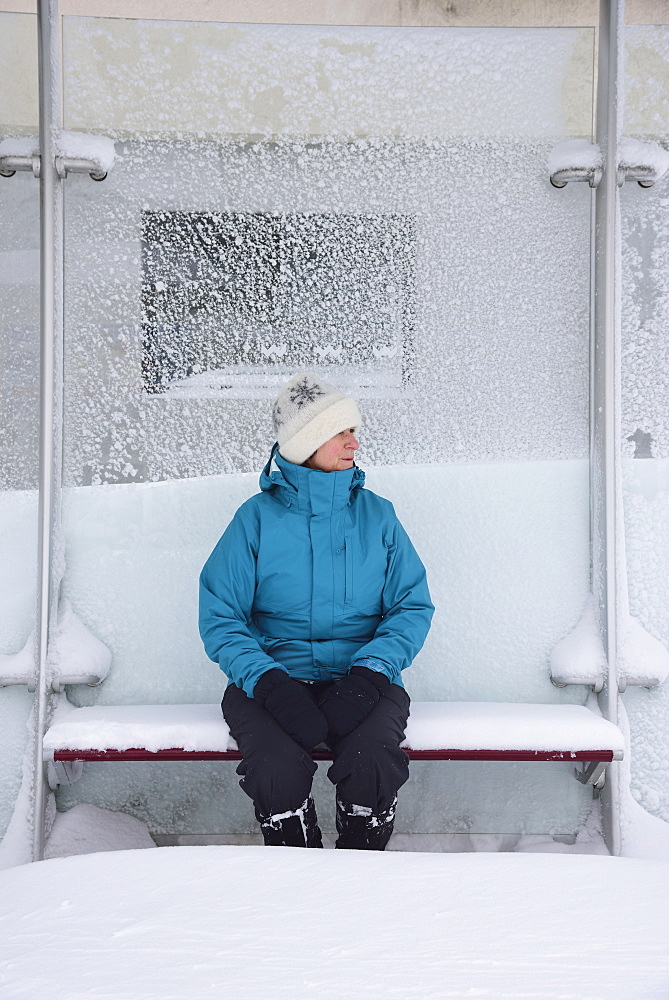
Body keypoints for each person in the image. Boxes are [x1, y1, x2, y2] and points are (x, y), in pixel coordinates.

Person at [199, 372, 434, 849]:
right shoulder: (256, 520)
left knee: (372, 762)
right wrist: (268, 683)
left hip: (363, 681)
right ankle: (296, 871)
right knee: (275, 768)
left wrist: (371, 674)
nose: (355, 442)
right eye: (340, 432)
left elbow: (411, 605)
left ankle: (359, 869)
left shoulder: (378, 516)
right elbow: (221, 614)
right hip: (271, 682)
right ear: (307, 442)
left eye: (353, 430)